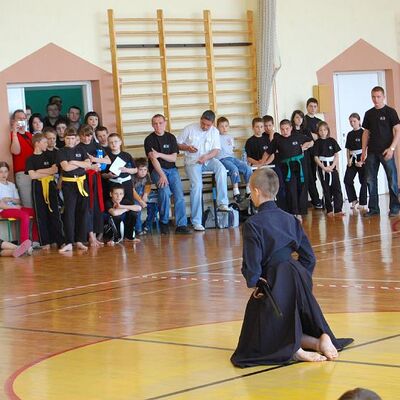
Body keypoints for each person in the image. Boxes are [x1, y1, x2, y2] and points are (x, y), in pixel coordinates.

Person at [230, 168, 353, 367]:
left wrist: (255, 282)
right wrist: (301, 276)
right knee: (285, 320)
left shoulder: (253, 223)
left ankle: (295, 350)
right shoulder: (290, 218)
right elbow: (309, 257)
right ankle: (318, 342)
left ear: (256, 191)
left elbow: (252, 265)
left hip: (273, 280)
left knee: (253, 340)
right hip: (296, 274)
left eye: (250, 192)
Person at [177, 110, 229, 231]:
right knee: (197, 185)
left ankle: (222, 203)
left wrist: (206, 157)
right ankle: (196, 221)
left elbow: (216, 150)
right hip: (193, 162)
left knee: (221, 168)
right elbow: (177, 144)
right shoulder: (189, 128)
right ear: (200, 119)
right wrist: (187, 147)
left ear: (212, 123)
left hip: (208, 159)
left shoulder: (215, 132)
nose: (205, 126)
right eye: (203, 123)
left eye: (208, 125)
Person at [145, 114, 192, 234]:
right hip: (157, 170)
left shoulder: (171, 137)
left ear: (165, 123)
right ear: (152, 125)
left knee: (179, 195)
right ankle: (164, 222)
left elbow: (173, 158)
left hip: (172, 170)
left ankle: (181, 225)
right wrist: (162, 175)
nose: (158, 125)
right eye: (155, 123)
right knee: (165, 192)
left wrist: (159, 154)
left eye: (160, 123)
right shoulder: (149, 139)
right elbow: (153, 159)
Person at [361, 86, 400, 217]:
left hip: (387, 151)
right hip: (372, 152)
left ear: (383, 97)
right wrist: (363, 151)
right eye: (373, 97)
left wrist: (392, 148)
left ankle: (394, 208)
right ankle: (373, 209)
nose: (376, 99)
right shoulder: (369, 113)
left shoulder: (390, 112)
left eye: (378, 97)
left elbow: (398, 130)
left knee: (392, 180)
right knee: (370, 180)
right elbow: (366, 133)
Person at [265, 119, 313, 220]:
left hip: (299, 165)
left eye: (287, 129)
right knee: (291, 189)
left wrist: (305, 146)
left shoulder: (297, 136)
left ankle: (300, 212)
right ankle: (294, 212)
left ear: (291, 128)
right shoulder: (277, 140)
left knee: (302, 187)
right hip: (287, 167)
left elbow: (311, 141)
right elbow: (268, 152)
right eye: (282, 129)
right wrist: (261, 162)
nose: (285, 131)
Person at [25, 134, 64, 249]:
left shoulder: (49, 156)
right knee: (41, 214)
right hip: (37, 186)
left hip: (50, 185)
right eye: (45, 142)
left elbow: (54, 170)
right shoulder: (30, 159)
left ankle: (59, 240)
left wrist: (39, 171)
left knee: (54, 213)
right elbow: (32, 175)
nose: (47, 144)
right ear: (37, 143)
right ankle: (45, 242)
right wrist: (46, 171)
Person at [57, 127, 91, 252]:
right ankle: (69, 242)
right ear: (64, 139)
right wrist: (79, 164)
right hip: (69, 184)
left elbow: (88, 164)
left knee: (83, 211)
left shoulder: (81, 149)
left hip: (82, 182)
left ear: (76, 138)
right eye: (68, 138)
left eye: (72, 138)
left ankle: (80, 240)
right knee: (70, 212)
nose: (70, 141)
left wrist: (73, 162)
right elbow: (66, 168)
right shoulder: (61, 151)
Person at [78, 124, 111, 247]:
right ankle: (89, 235)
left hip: (96, 179)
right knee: (87, 206)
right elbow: (79, 165)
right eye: (84, 136)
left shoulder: (96, 146)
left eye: (89, 136)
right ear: (80, 136)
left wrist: (95, 160)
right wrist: (90, 164)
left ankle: (97, 234)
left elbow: (108, 160)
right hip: (84, 179)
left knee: (97, 205)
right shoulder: (78, 147)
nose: (86, 138)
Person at [0, 161, 38, 244]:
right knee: (24, 215)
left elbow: (18, 200)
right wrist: (14, 207)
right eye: (1, 172)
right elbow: (1, 205)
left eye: (5, 171)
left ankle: (35, 240)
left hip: (15, 208)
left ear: (8, 172)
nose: (3, 174)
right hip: (4, 210)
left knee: (36, 212)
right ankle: (24, 243)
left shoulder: (11, 185)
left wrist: (10, 199)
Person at [216, 116, 252, 203]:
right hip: (222, 159)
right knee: (234, 169)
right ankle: (236, 192)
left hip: (232, 158)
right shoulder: (216, 137)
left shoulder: (230, 137)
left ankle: (248, 190)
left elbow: (232, 148)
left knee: (247, 168)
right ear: (217, 127)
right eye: (221, 126)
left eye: (226, 126)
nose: (224, 128)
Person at [291, 109, 323, 209]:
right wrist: (298, 148)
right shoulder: (290, 130)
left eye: (301, 117)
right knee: (298, 181)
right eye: (297, 117)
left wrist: (303, 147)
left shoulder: (306, 130)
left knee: (310, 179)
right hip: (294, 159)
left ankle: (316, 201)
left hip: (306, 158)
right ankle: (300, 204)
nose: (299, 119)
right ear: (293, 119)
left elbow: (311, 142)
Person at [314, 122, 344, 216]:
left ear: (328, 131)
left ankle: (338, 209)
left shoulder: (332, 141)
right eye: (320, 130)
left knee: (337, 187)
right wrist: (323, 168)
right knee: (326, 189)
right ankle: (329, 209)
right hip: (322, 167)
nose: (323, 132)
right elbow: (316, 157)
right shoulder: (317, 143)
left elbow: (336, 155)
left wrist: (332, 166)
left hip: (332, 166)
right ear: (318, 132)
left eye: (324, 130)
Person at [9, 109, 34, 207]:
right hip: (23, 174)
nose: (22, 121)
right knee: (28, 204)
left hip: (35, 173)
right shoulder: (11, 135)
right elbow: (16, 151)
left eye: (24, 118)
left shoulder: (29, 135)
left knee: (37, 204)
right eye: (19, 119)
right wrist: (15, 133)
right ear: (13, 121)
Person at [104, 133, 137, 202]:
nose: (113, 144)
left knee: (129, 202)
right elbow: (102, 174)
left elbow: (135, 170)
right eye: (111, 142)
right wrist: (108, 175)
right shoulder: (106, 157)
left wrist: (127, 170)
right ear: (108, 144)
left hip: (126, 183)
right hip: (113, 184)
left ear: (120, 142)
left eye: (115, 141)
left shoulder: (127, 155)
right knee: (113, 204)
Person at [344, 113, 367, 210]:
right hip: (352, 158)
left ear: (359, 121)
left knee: (363, 181)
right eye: (350, 121)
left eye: (354, 121)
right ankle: (353, 200)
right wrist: (348, 160)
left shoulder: (364, 132)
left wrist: (362, 161)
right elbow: (348, 149)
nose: (352, 123)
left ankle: (363, 202)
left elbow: (367, 147)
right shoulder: (350, 134)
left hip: (362, 157)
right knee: (347, 180)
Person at [132, 158, 158, 235]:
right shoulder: (132, 177)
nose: (143, 172)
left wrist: (146, 194)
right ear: (136, 169)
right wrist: (140, 201)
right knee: (137, 208)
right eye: (141, 170)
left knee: (154, 205)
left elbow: (148, 185)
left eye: (145, 170)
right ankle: (138, 229)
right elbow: (132, 191)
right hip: (135, 197)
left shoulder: (147, 176)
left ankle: (147, 225)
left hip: (144, 195)